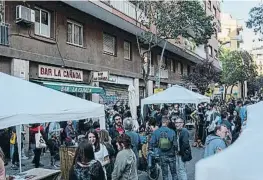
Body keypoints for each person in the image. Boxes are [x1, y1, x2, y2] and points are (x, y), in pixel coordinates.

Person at [149, 115, 178, 180]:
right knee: (174, 173)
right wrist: (176, 151)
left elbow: (152, 143)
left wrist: (156, 147)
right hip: (171, 155)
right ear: (167, 122)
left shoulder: (156, 132)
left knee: (165, 175)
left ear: (162, 122)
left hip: (162, 155)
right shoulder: (172, 131)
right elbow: (175, 145)